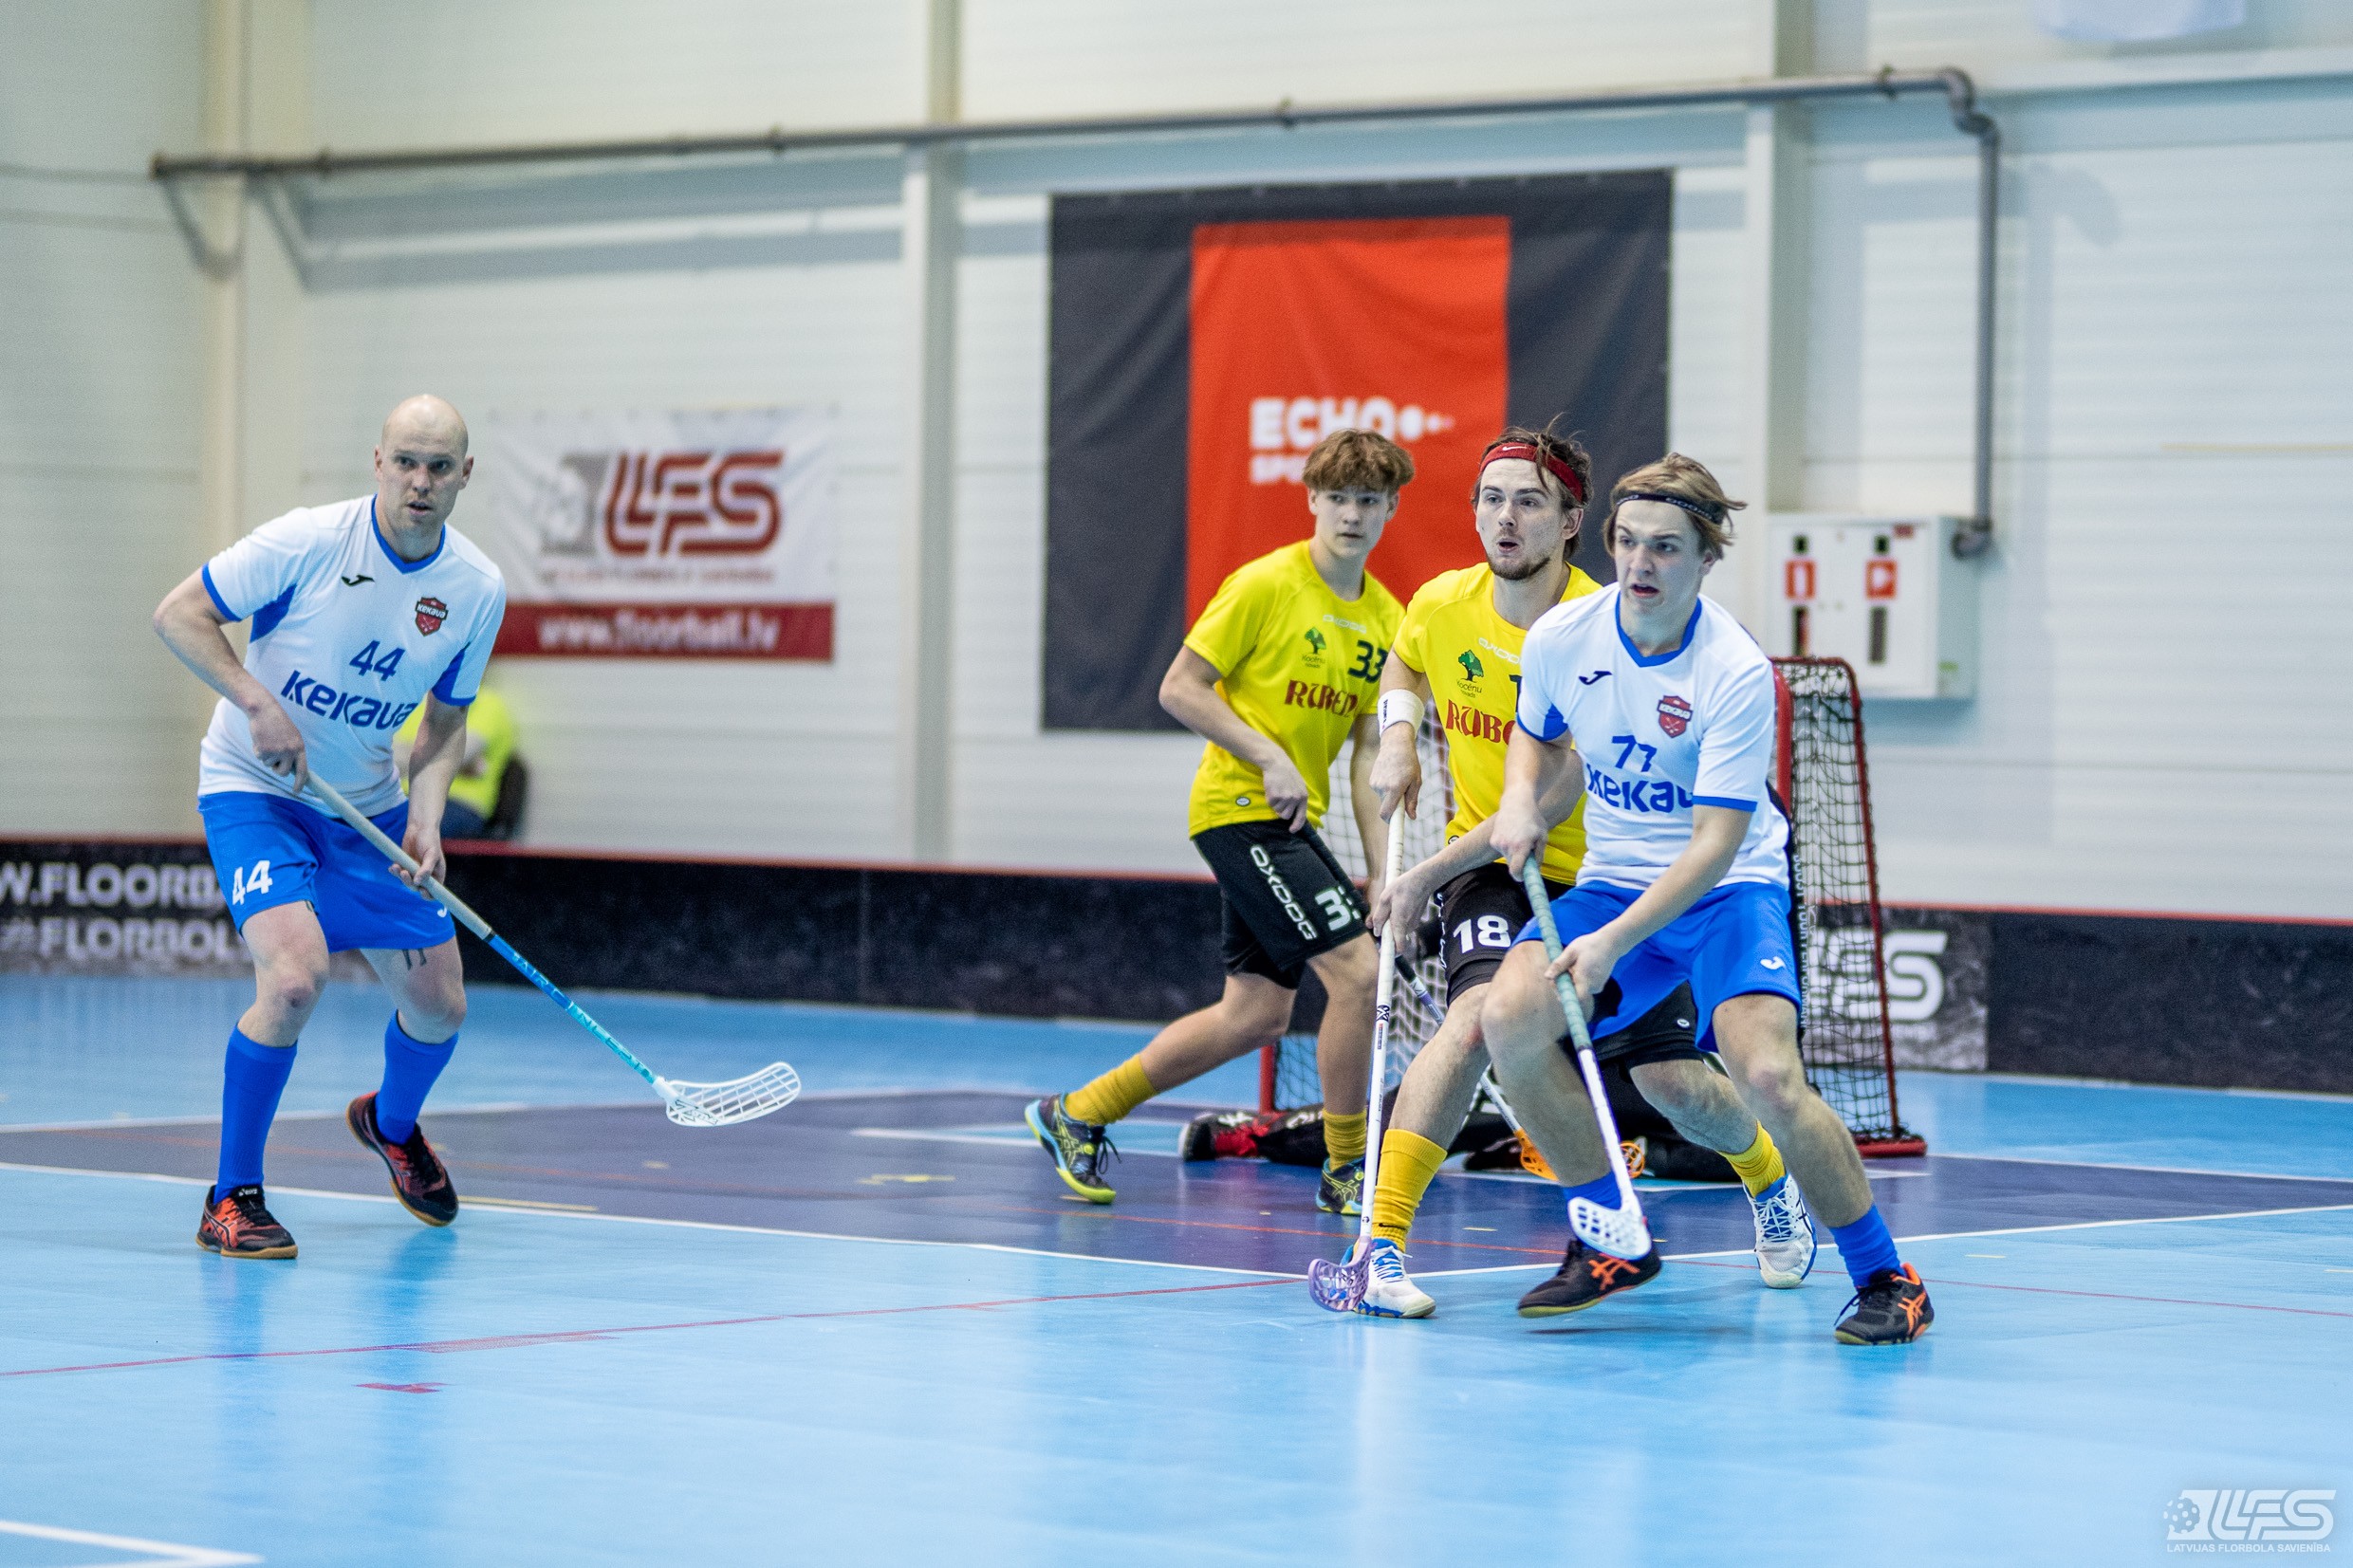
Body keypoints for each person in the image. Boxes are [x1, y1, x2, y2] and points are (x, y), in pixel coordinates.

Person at [1352, 429, 1814, 1319]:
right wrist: (1401, 734)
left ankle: (1768, 1180)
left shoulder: (1600, 627)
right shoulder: (1443, 602)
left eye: (1529, 501)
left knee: (1671, 1082)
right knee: (1477, 1021)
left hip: (1611, 878)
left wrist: (1421, 875)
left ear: (1571, 523)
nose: (1506, 518)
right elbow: (1407, 655)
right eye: (1491, 498)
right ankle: (1381, 1244)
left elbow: (1548, 796)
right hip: (1497, 875)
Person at [1483, 452, 1933, 1344]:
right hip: (1614, 878)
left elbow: (1715, 844)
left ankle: (1888, 1275)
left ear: (1705, 558)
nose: (1639, 563)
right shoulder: (1563, 637)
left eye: (1664, 547)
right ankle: (1609, 1233)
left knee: (1765, 1076)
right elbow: (1535, 734)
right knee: (1508, 1021)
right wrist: (1518, 797)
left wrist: (1612, 942)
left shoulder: (1733, 671)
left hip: (1727, 889)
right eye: (1627, 542)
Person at [151, 395, 507, 1260]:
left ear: (465, 475)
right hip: (256, 788)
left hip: (368, 804)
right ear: (378, 461)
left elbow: (445, 721)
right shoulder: (307, 542)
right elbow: (179, 614)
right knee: (294, 980)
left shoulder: (476, 589)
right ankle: (231, 1197)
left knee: (439, 1007)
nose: (420, 482)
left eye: (439, 467)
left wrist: (426, 819)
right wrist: (256, 702)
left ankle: (392, 1125)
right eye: (405, 461)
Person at [1027, 429, 1409, 1214]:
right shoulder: (1266, 584)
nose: (1352, 514)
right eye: (1339, 497)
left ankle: (1079, 1111)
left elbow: (1370, 750)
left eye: (1369, 500)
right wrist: (1267, 755)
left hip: (1292, 823)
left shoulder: (1386, 617)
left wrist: (1383, 873)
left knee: (1255, 1014)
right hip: (1240, 810)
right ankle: (1347, 1168)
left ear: (1391, 509)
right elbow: (1180, 686)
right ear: (1313, 499)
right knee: (1360, 975)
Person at [395, 677, 515, 838]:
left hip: (459, 803)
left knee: (391, 830)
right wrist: (452, 760)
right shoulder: (417, 702)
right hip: (406, 798)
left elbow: (459, 752)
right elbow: (386, 756)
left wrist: (410, 752)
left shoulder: (487, 703)